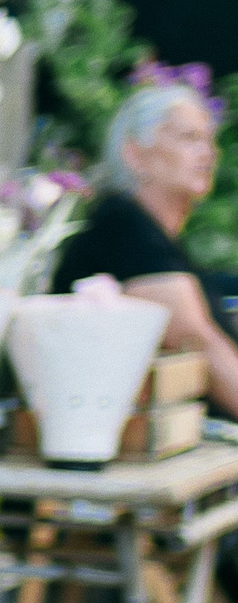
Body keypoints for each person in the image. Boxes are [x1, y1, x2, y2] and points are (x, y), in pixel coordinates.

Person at [51, 82, 236, 413]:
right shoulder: (122, 225)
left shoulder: (155, 237)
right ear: (135, 154)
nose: (209, 153)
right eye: (189, 138)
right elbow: (194, 340)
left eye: (209, 140)